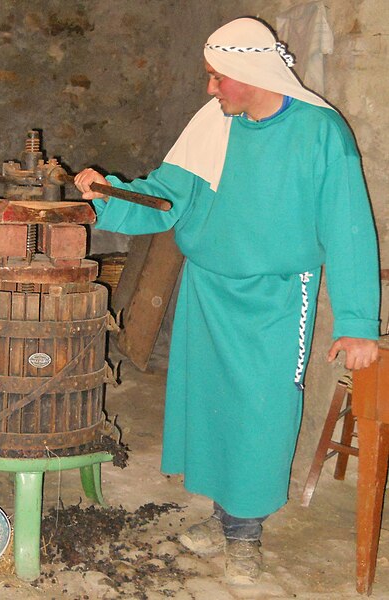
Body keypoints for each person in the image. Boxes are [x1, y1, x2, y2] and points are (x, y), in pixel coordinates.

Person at [74, 17, 380, 585]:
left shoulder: (320, 132)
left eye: (219, 78)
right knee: (210, 407)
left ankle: (246, 533)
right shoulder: (212, 124)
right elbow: (167, 198)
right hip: (207, 288)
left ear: (250, 73)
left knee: (262, 411)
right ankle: (224, 518)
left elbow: (350, 228)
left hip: (278, 296)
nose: (211, 90)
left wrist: (360, 321)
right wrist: (109, 197)